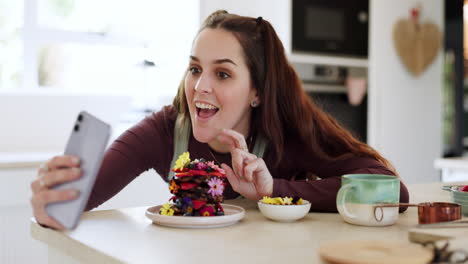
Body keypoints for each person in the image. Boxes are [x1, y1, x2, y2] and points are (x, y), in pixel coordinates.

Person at [30, 10, 409, 230]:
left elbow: (391, 189)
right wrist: (51, 202)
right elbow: (75, 202)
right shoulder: (165, 130)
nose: (200, 87)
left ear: (257, 91)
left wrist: (271, 189)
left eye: (223, 74)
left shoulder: (285, 133)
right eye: (195, 69)